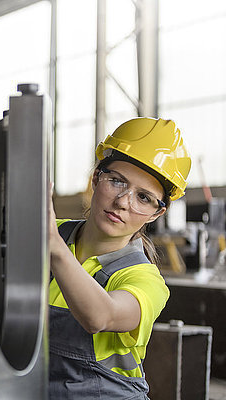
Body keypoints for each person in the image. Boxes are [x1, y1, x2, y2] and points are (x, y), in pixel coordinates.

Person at [48, 117, 191, 399]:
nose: (124, 202)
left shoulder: (144, 279)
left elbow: (101, 316)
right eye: (117, 181)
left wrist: (51, 245)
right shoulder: (52, 233)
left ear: (156, 213)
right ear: (95, 179)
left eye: (144, 198)